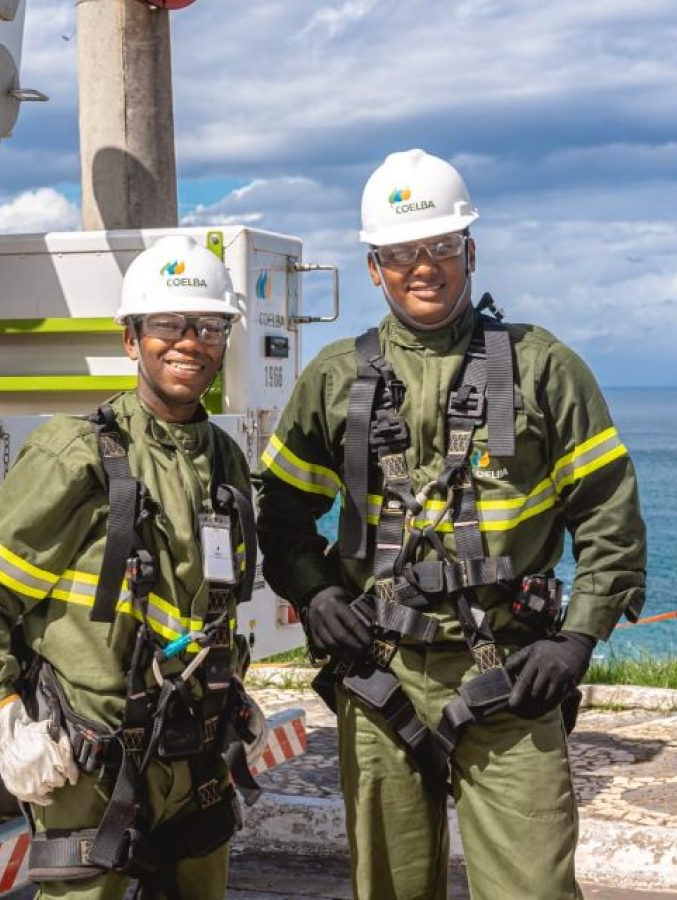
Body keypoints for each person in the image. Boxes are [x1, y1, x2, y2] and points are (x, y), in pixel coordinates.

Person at [256, 149, 647, 899]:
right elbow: (279, 509)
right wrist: (317, 593)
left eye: (439, 248)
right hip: (379, 674)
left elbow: (608, 511)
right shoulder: (337, 379)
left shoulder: (541, 368)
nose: (423, 267)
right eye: (402, 253)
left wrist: (578, 638)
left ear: (470, 251)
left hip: (510, 674)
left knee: (534, 886)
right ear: (375, 268)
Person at [0, 234, 264, 900]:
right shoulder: (78, 453)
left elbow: (216, 599)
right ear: (131, 338)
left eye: (207, 325)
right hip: (93, 766)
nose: (188, 341)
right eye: (168, 324)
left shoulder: (225, 461)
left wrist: (236, 693)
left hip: (197, 753)